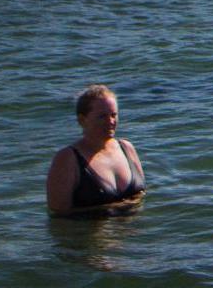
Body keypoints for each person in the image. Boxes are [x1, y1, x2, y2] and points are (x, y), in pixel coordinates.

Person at [44, 83, 146, 215]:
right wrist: (117, 206)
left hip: (131, 233)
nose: (110, 121)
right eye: (102, 116)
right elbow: (58, 214)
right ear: (82, 120)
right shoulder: (68, 159)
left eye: (114, 115)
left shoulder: (127, 148)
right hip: (91, 234)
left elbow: (142, 194)